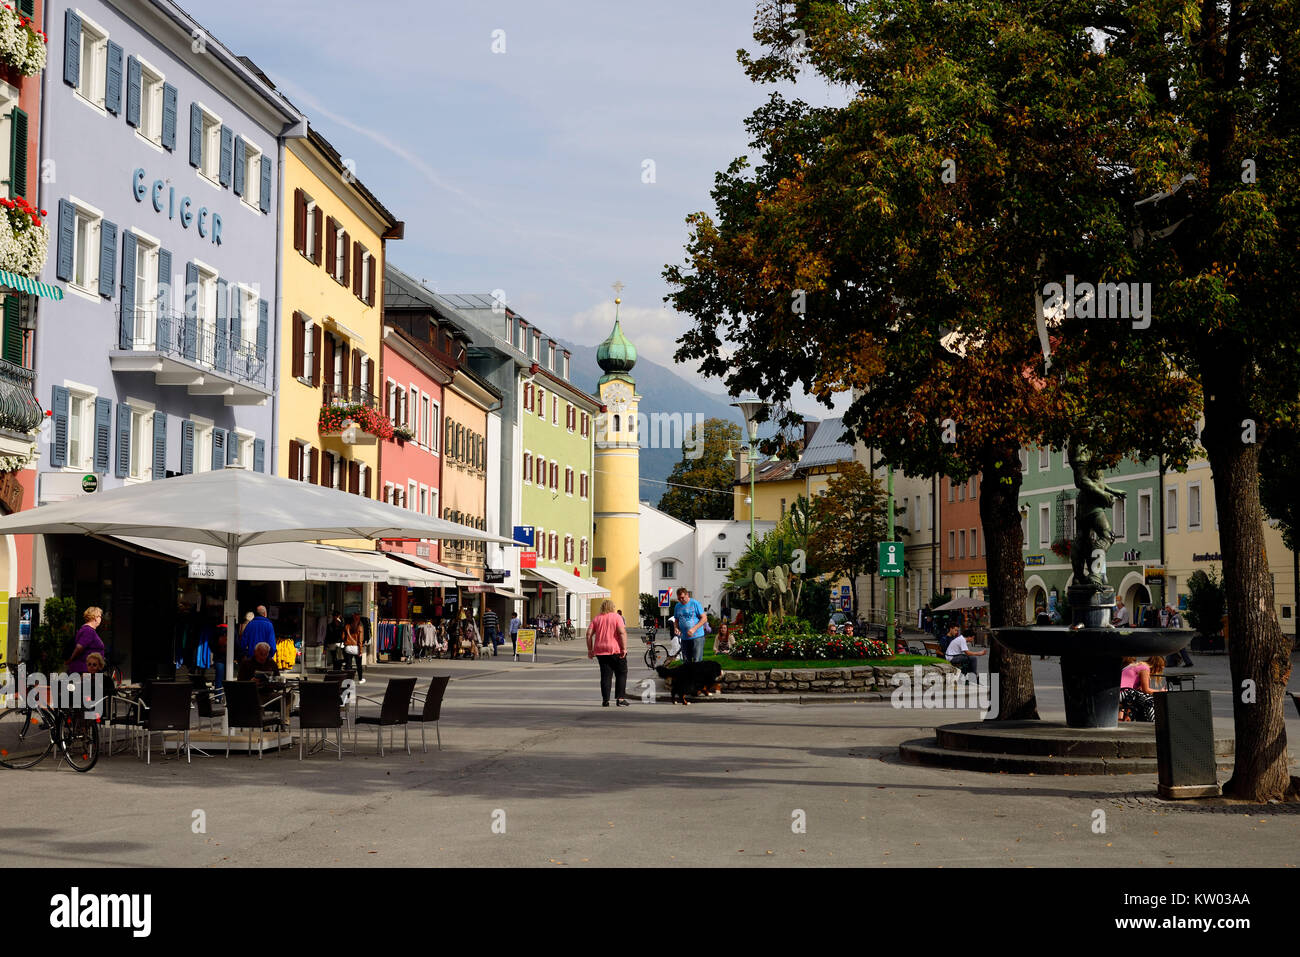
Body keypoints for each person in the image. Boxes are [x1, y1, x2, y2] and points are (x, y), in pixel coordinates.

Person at [586, 598, 629, 707]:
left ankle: (605, 700)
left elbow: (588, 634)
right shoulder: (617, 617)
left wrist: (590, 650)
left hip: (600, 651)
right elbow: (622, 633)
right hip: (616, 650)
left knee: (605, 676)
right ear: (612, 608)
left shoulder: (596, 619)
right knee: (621, 673)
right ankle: (620, 698)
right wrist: (624, 648)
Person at [65, 606, 106, 674]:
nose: (101, 619)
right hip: (84, 670)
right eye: (100, 616)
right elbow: (79, 647)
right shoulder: (88, 630)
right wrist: (70, 660)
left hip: (89, 670)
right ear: (95, 617)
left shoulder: (86, 629)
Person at [671, 587, 706, 663]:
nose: (681, 600)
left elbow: (704, 618)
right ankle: (688, 675)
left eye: (682, 598)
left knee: (697, 661)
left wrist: (694, 629)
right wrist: (676, 628)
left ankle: (697, 675)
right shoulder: (677, 606)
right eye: (679, 598)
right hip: (684, 638)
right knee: (686, 661)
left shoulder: (695, 603)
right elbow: (676, 620)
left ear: (687, 595)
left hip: (697, 637)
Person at [1119, 656, 1158, 721]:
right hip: (1124, 693)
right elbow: (1146, 690)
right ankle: (1152, 722)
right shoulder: (1144, 667)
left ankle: (1129, 717)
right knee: (1149, 700)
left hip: (1118, 692)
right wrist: (1161, 692)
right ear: (1158, 667)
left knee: (1139, 696)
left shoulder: (1133, 666)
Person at [343, 613, 365, 683]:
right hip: (357, 648)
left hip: (348, 647)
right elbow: (360, 640)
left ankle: (348, 680)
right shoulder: (360, 627)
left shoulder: (347, 626)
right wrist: (360, 651)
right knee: (359, 665)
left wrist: (346, 642)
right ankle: (360, 679)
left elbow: (343, 637)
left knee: (348, 665)